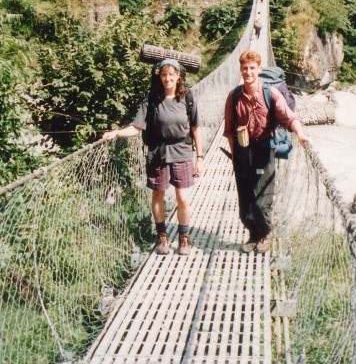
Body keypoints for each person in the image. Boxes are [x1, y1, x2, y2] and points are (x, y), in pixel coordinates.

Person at [103, 58, 204, 256]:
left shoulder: (188, 97)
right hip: (157, 152)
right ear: (160, 76)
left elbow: (195, 128)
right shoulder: (151, 99)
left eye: (171, 74)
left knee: (183, 197)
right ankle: (162, 235)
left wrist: (200, 157)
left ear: (178, 76)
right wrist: (116, 133)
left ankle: (184, 236)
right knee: (157, 193)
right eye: (164, 75)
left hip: (182, 151)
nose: (168, 78)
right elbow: (136, 127)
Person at [224, 50, 308, 254]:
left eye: (252, 68)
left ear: (259, 69)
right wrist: (235, 157)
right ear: (241, 70)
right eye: (245, 68)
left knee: (262, 194)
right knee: (245, 196)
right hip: (242, 152)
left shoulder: (271, 93)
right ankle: (252, 234)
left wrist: (301, 134)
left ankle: (264, 235)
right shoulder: (234, 96)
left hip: (264, 149)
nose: (248, 71)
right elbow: (228, 130)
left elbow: (290, 117)